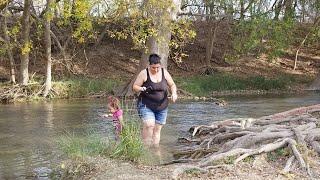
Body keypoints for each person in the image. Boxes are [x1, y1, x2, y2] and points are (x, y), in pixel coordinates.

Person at [133, 53, 177, 147]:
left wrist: (174, 93)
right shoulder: (144, 73)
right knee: (149, 125)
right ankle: (145, 149)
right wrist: (141, 89)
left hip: (162, 106)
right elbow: (135, 86)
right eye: (153, 67)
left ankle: (155, 150)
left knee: (157, 129)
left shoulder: (164, 72)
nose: (156, 70)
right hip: (146, 105)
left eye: (157, 67)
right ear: (149, 65)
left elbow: (172, 85)